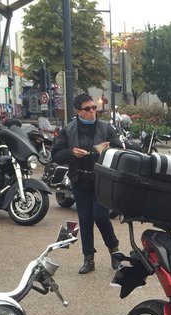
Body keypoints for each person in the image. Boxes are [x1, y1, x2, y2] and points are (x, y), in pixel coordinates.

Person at [51, 93, 122, 274]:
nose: (92, 112)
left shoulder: (106, 128)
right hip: (79, 180)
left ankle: (114, 250)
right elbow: (56, 154)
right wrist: (71, 153)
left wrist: (103, 150)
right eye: (87, 109)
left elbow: (120, 150)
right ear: (78, 111)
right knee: (85, 219)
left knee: (100, 216)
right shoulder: (69, 129)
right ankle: (88, 258)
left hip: (101, 181)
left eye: (94, 108)